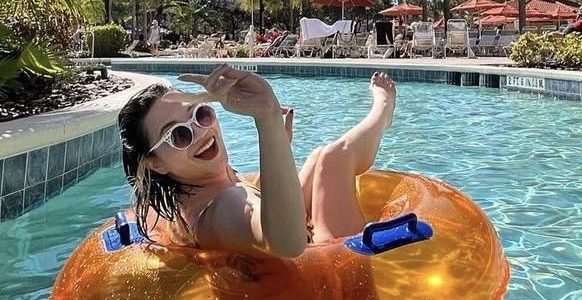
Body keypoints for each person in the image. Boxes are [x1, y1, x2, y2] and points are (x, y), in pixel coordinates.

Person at [117, 65, 397, 258]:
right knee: (334, 158)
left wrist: (279, 147)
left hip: (310, 259)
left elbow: (253, 201)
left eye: (200, 114)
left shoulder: (197, 192)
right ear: (155, 163)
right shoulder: (224, 209)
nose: (201, 132)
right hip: (335, 273)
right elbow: (287, 244)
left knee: (316, 158)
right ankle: (382, 112)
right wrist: (267, 117)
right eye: (179, 135)